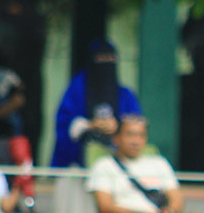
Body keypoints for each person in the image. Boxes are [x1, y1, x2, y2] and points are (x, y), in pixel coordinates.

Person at [51, 39, 141, 168]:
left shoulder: (125, 95)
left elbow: (137, 124)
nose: (106, 62)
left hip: (119, 164)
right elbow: (65, 124)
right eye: (101, 58)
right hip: (77, 164)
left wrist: (118, 126)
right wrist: (91, 125)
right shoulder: (77, 88)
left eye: (110, 58)